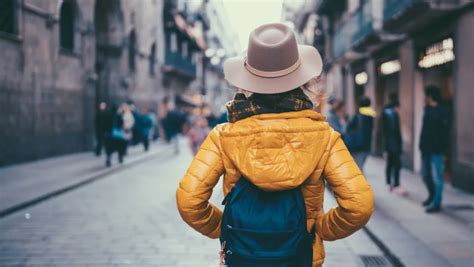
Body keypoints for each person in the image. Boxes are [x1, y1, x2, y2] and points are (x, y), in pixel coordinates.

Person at [176, 23, 373, 267]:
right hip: (301, 256)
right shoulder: (325, 136)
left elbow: (189, 202)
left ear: (247, 82)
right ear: (302, 81)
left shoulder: (223, 136)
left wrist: (229, 229)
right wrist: (316, 228)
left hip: (243, 256)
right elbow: (359, 206)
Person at [419, 86, 448, 213]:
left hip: (437, 149)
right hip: (425, 148)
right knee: (425, 175)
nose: (425, 97)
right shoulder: (427, 109)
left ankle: (437, 203)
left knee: (438, 178)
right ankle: (432, 195)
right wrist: (421, 144)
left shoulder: (443, 110)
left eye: (426, 95)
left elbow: (445, 132)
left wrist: (445, 151)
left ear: (431, 96)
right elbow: (424, 130)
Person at [346, 96, 376, 171]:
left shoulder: (357, 116)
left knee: (358, 168)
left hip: (358, 145)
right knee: (360, 166)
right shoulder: (371, 115)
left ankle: (361, 183)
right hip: (367, 145)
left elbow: (348, 128)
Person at [381, 93, 404, 193]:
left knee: (390, 164)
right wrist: (399, 145)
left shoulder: (385, 113)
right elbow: (396, 131)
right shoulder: (393, 115)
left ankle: (389, 183)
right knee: (397, 164)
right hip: (394, 144)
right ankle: (396, 184)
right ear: (396, 107)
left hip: (388, 144)